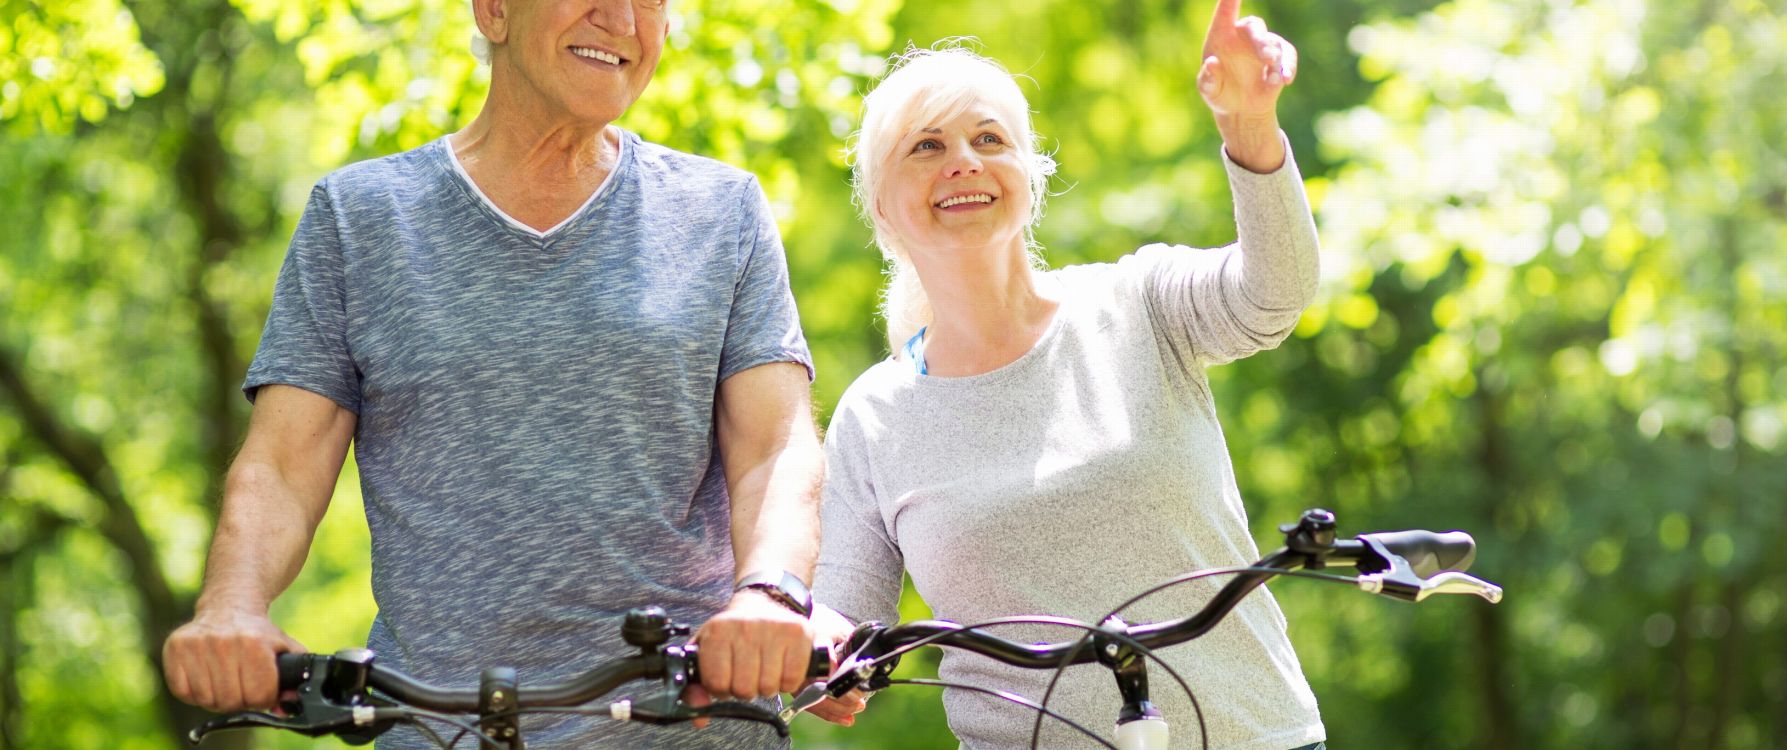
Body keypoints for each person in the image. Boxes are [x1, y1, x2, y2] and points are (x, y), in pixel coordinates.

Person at [159, 0, 824, 746]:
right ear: (495, 11)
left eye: (653, 0)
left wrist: (770, 596)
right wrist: (232, 606)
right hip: (434, 727)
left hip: (688, 727)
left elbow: (777, 447)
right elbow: (282, 463)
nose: (623, 18)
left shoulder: (721, 211)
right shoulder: (360, 218)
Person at [805, 2, 1328, 748]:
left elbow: (1274, 295)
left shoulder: (1138, 302)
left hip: (1256, 736)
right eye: (926, 145)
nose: (964, 160)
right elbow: (844, 628)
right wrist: (818, 658)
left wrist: (1248, 125)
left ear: (1030, 175)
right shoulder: (874, 416)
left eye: (990, 138)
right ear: (882, 209)